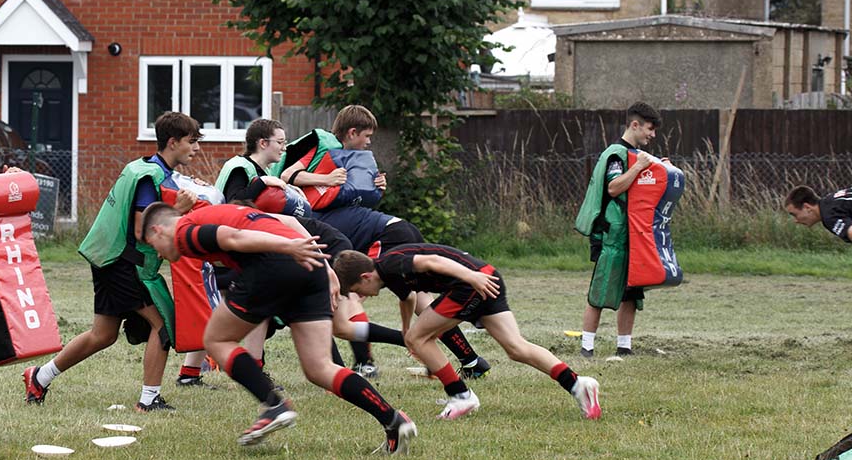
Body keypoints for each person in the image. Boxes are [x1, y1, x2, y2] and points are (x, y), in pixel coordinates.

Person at [142, 202, 419, 454]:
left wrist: (288, 249)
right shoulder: (221, 211)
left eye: (152, 244)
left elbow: (233, 238)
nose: (156, 252)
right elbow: (286, 222)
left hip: (276, 262)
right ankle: (393, 419)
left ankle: (273, 406)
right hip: (311, 266)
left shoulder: (183, 231)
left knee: (217, 340)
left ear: (158, 229)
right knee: (320, 368)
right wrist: (325, 265)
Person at [280, 105, 491, 380]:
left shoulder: (349, 158)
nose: (369, 142)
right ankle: (469, 358)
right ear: (352, 132)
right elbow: (288, 176)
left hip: (388, 236)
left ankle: (368, 362)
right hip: (387, 232)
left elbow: (351, 196)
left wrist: (375, 186)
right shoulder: (326, 147)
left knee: (386, 296)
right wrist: (327, 179)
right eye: (366, 136)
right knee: (411, 297)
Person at [22, 111, 200, 413]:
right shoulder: (150, 177)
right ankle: (148, 399)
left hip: (109, 259)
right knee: (165, 325)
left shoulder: (145, 167)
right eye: (191, 142)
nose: (196, 149)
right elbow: (142, 231)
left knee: (102, 335)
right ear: (173, 142)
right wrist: (179, 211)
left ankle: (40, 376)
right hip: (124, 262)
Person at [334, 246, 601, 421]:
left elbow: (433, 260)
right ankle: (578, 384)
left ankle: (461, 396)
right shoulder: (388, 275)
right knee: (516, 348)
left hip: (470, 283)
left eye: (355, 290)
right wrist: (406, 330)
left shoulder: (391, 264)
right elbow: (407, 299)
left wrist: (471, 278)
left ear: (366, 276)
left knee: (419, 337)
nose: (357, 297)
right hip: (487, 275)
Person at [575, 102, 663, 359]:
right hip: (611, 234)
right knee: (601, 289)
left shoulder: (636, 156)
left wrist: (658, 168)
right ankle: (587, 348)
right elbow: (614, 188)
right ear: (634, 125)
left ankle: (624, 347)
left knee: (632, 292)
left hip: (634, 235)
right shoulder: (617, 154)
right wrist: (638, 168)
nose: (652, 135)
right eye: (649, 129)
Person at [784, 184, 852, 460]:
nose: (795, 221)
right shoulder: (835, 197)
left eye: (794, 214)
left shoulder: (829, 214)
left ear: (808, 207)